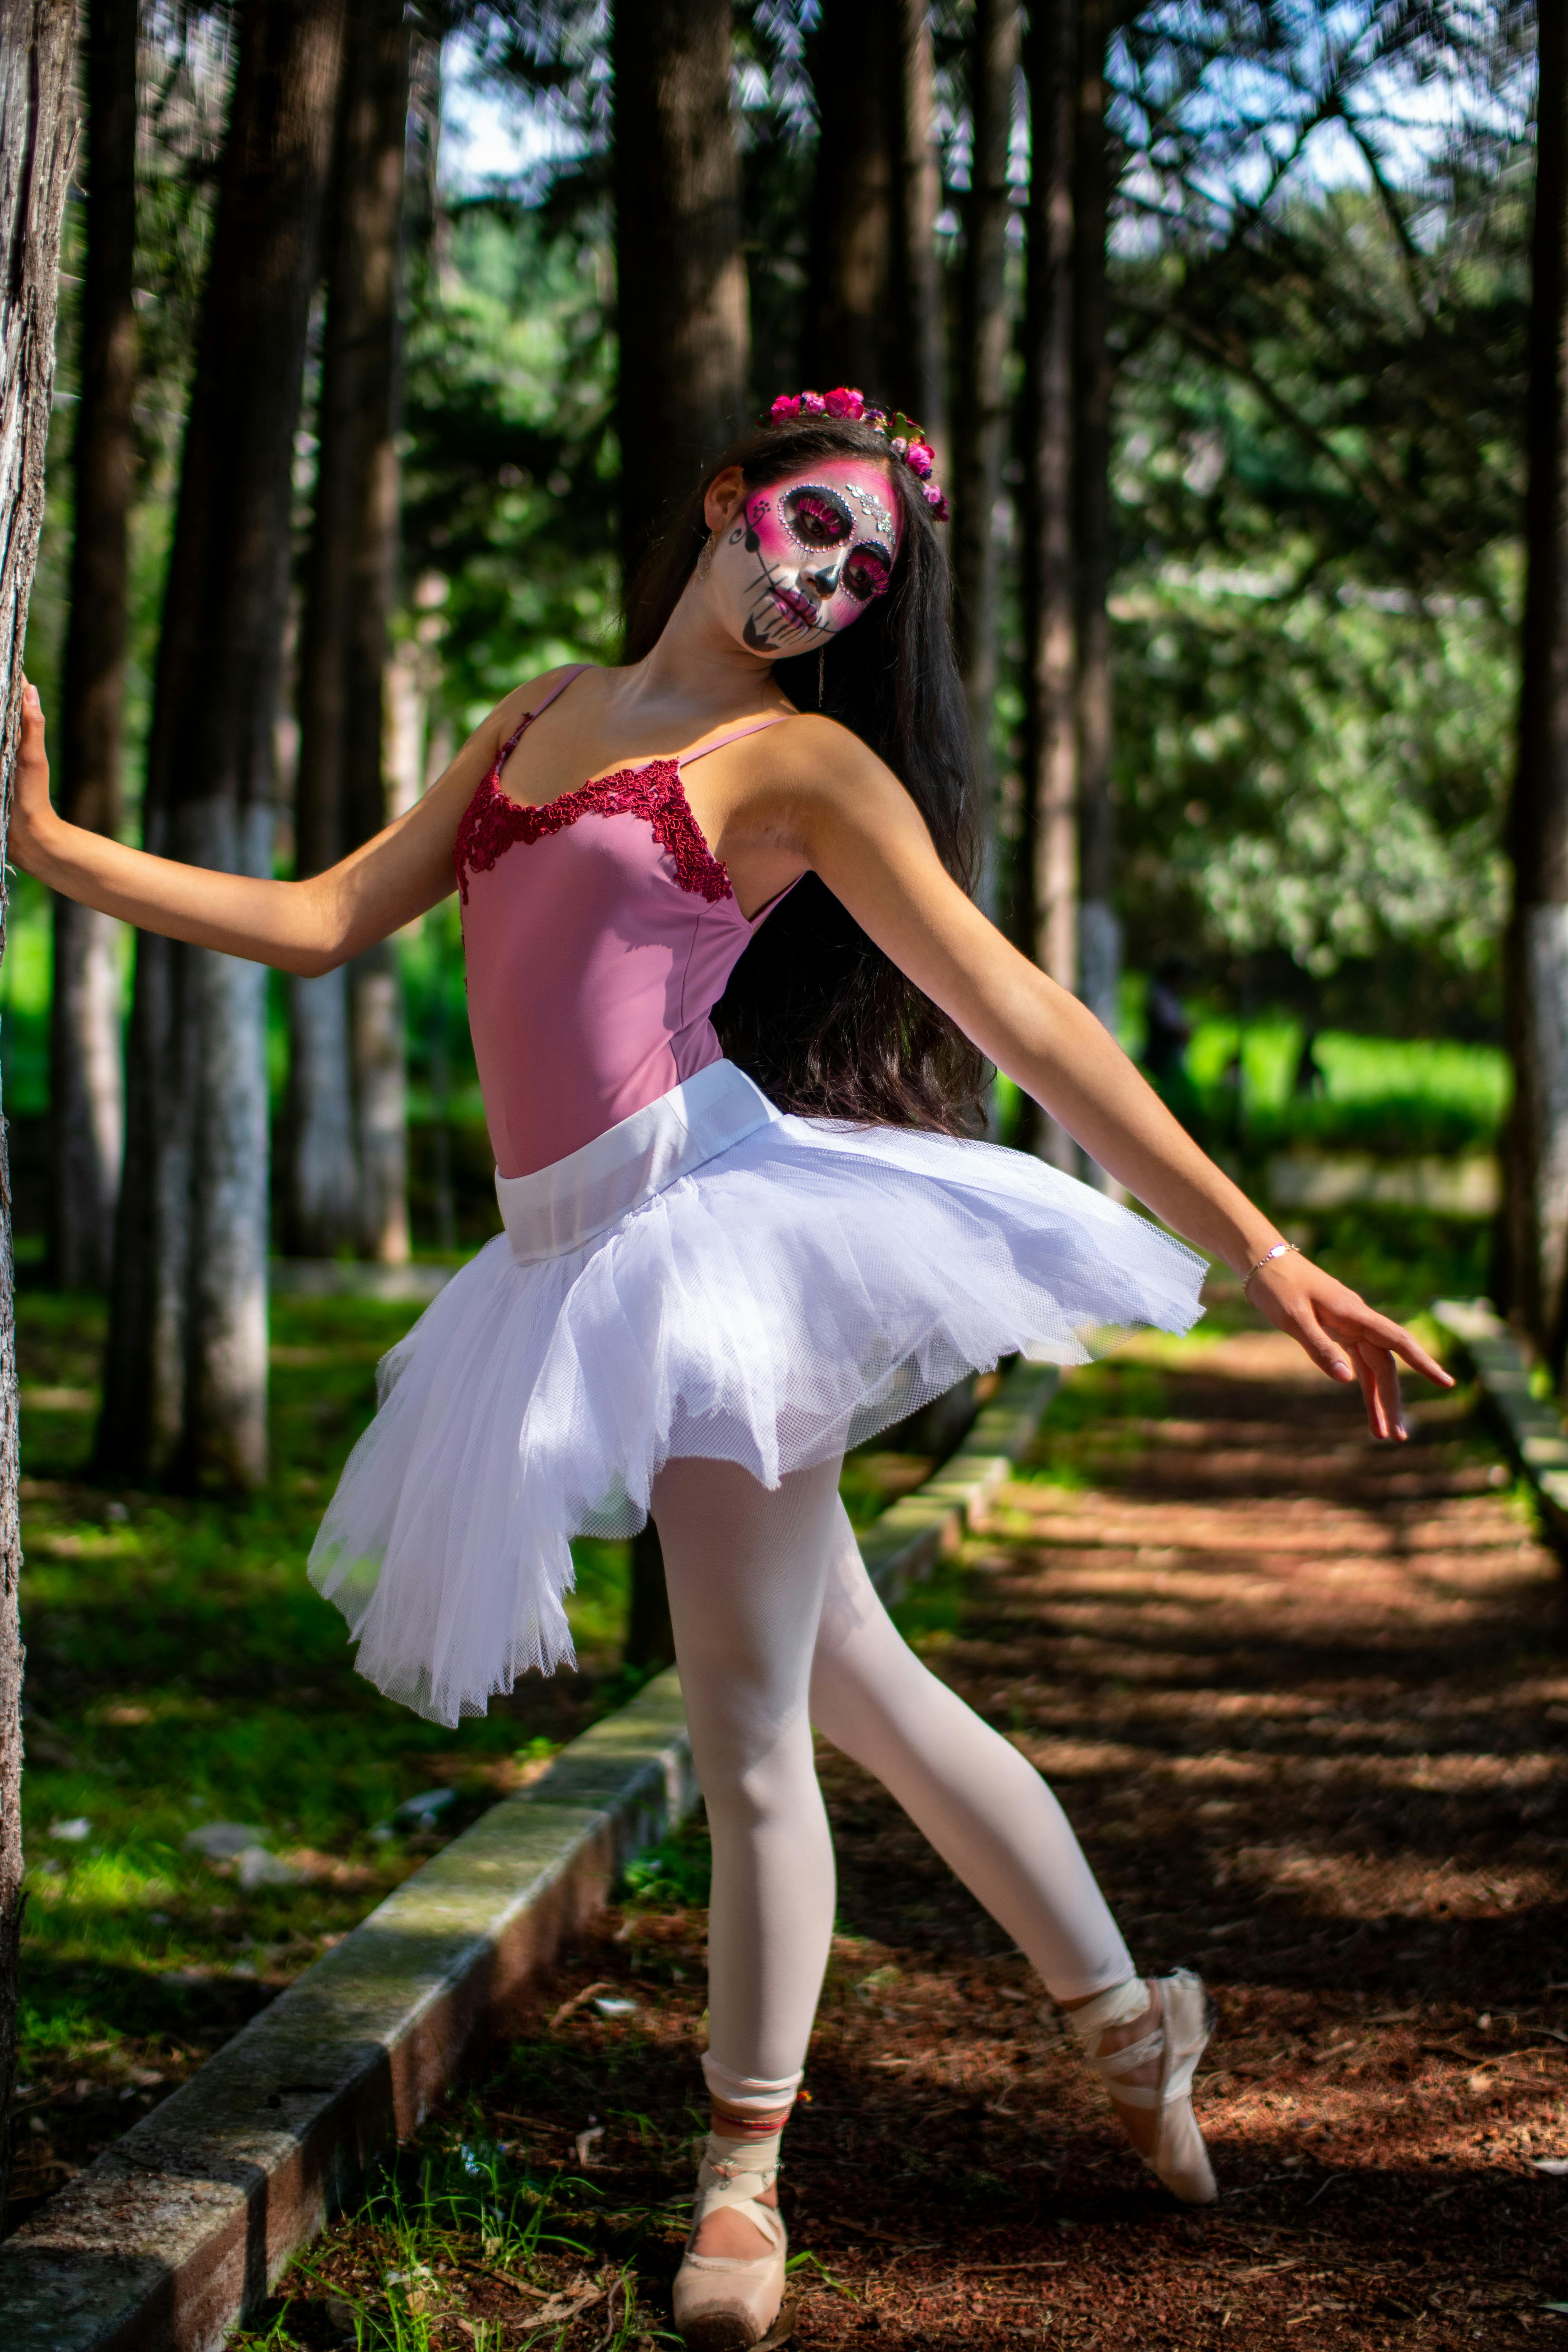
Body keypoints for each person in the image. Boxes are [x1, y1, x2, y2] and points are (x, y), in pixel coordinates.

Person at [11, 389, 1450, 2352]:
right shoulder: (537, 710)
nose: (825, 580)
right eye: (810, 527)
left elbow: (1019, 1008)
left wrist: (1263, 1247)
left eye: (863, 572)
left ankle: (744, 2182)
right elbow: (324, 918)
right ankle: (1133, 2027)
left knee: (752, 1724)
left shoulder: (803, 767)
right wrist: (47, 843)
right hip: (567, 1260)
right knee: (861, 1686)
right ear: (727, 500)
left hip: (708, 1242)